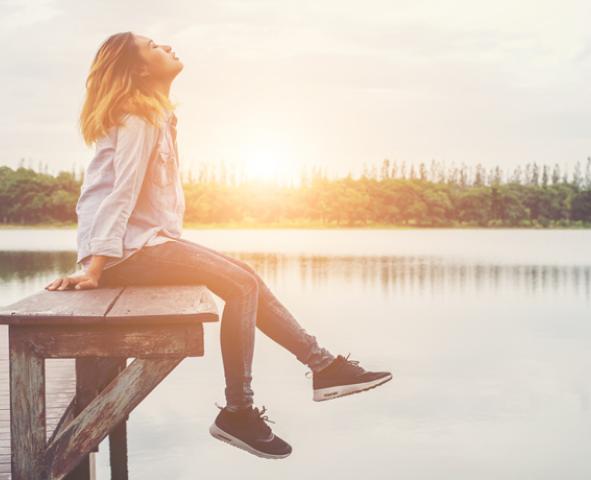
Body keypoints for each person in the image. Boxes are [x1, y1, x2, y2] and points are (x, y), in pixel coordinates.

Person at [44, 31, 392, 459]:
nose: (167, 46)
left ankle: (323, 368)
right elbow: (122, 193)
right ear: (139, 68)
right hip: (126, 252)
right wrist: (95, 267)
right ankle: (243, 408)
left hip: (145, 245)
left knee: (245, 279)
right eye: (154, 47)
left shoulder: (157, 116)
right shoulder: (137, 117)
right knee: (242, 284)